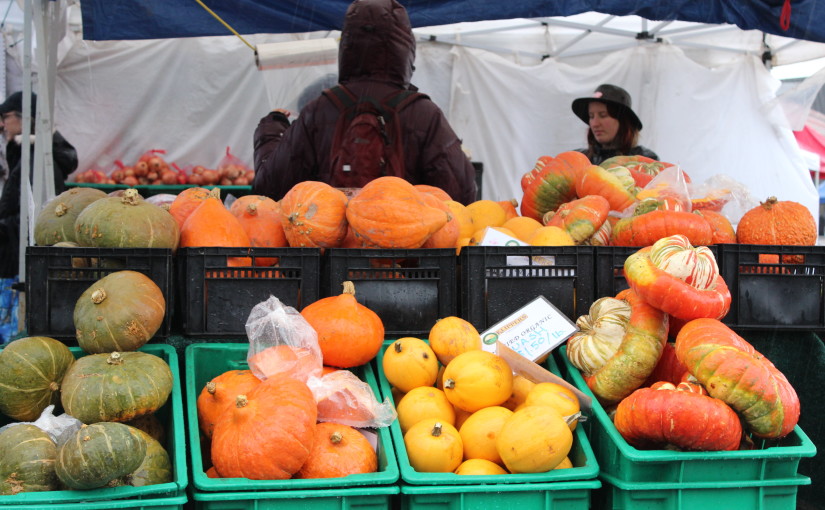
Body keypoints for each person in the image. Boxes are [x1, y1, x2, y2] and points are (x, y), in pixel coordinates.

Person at [252, 0, 477, 205]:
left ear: (347, 45)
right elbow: (461, 195)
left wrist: (272, 128)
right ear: (406, 48)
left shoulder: (319, 110)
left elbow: (270, 188)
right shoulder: (424, 114)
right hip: (406, 245)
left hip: (328, 244)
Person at [0, 91, 78, 280]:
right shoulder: (25, 155)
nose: (2, 124)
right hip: (17, 257)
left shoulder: (35, 159)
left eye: (5, 116)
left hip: (21, 262)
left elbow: (33, 215)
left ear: (25, 117)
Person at [571, 83, 659, 165]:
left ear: (623, 121)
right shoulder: (578, 160)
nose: (594, 124)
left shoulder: (645, 162)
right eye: (591, 116)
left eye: (603, 115)